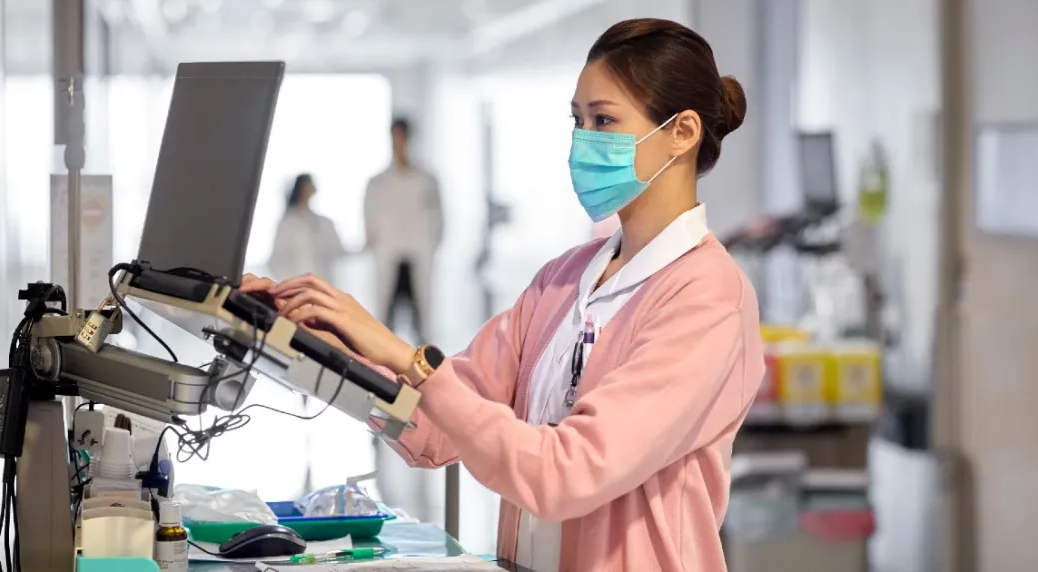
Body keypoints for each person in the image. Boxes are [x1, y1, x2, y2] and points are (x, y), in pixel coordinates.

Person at [244, 18, 763, 572]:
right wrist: (308, 336)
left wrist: (404, 353)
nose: (582, 142)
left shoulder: (707, 297)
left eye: (603, 120)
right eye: (577, 120)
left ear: (682, 133)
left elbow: (568, 473)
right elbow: (438, 427)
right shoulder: (564, 280)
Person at [363, 118, 444, 343]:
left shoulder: (427, 179)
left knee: (421, 321)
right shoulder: (377, 182)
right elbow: (370, 223)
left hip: (419, 254)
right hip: (389, 254)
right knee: (386, 321)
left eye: (403, 136)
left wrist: (429, 244)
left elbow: (439, 219)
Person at [268, 174, 346, 283]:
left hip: (323, 282)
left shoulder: (324, 223)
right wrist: (289, 282)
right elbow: (276, 260)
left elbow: (337, 253)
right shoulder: (287, 223)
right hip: (296, 283)